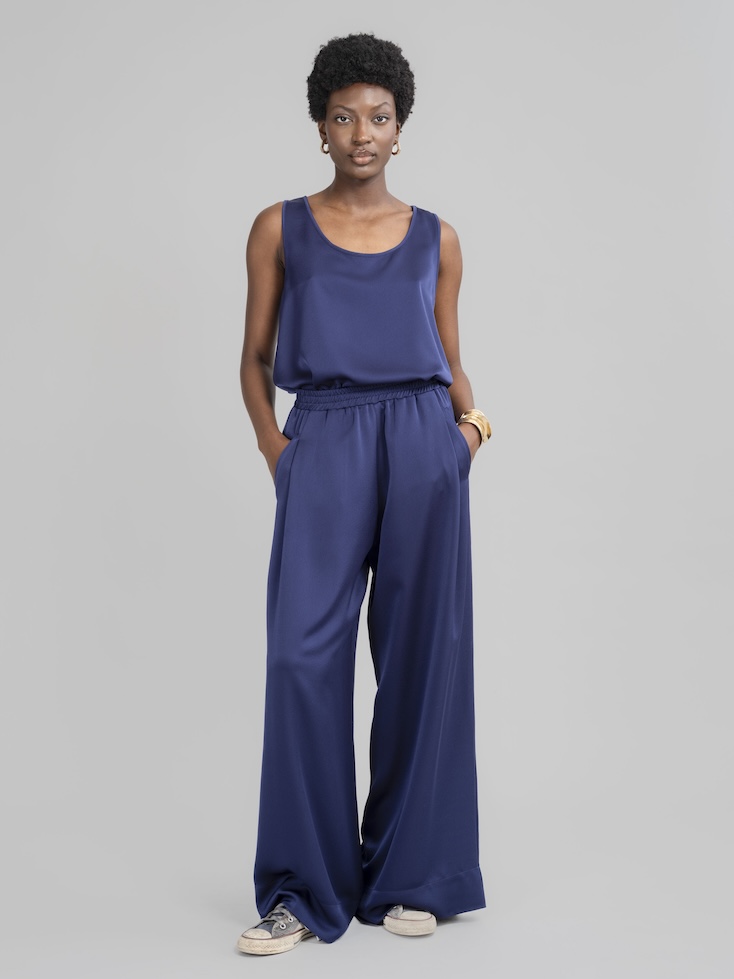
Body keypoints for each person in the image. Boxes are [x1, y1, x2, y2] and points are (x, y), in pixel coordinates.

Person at [237, 32, 491, 956]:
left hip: (424, 441)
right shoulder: (280, 228)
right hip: (325, 438)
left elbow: (452, 359)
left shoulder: (437, 237)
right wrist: (278, 451)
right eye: (344, 117)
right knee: (301, 657)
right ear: (320, 127)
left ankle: (414, 874)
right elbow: (254, 358)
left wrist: (469, 435)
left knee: (423, 657)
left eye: (378, 117)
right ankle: (303, 891)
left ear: (400, 127)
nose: (362, 134)